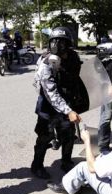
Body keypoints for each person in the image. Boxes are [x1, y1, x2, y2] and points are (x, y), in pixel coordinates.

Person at [31, 26, 83, 179]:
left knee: (68, 135)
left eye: (61, 43)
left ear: (68, 44)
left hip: (67, 103)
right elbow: (50, 92)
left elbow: (78, 79)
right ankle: (37, 165)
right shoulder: (45, 62)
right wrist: (68, 111)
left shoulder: (73, 57)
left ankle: (66, 162)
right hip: (48, 106)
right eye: (55, 42)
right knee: (44, 137)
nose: (58, 46)